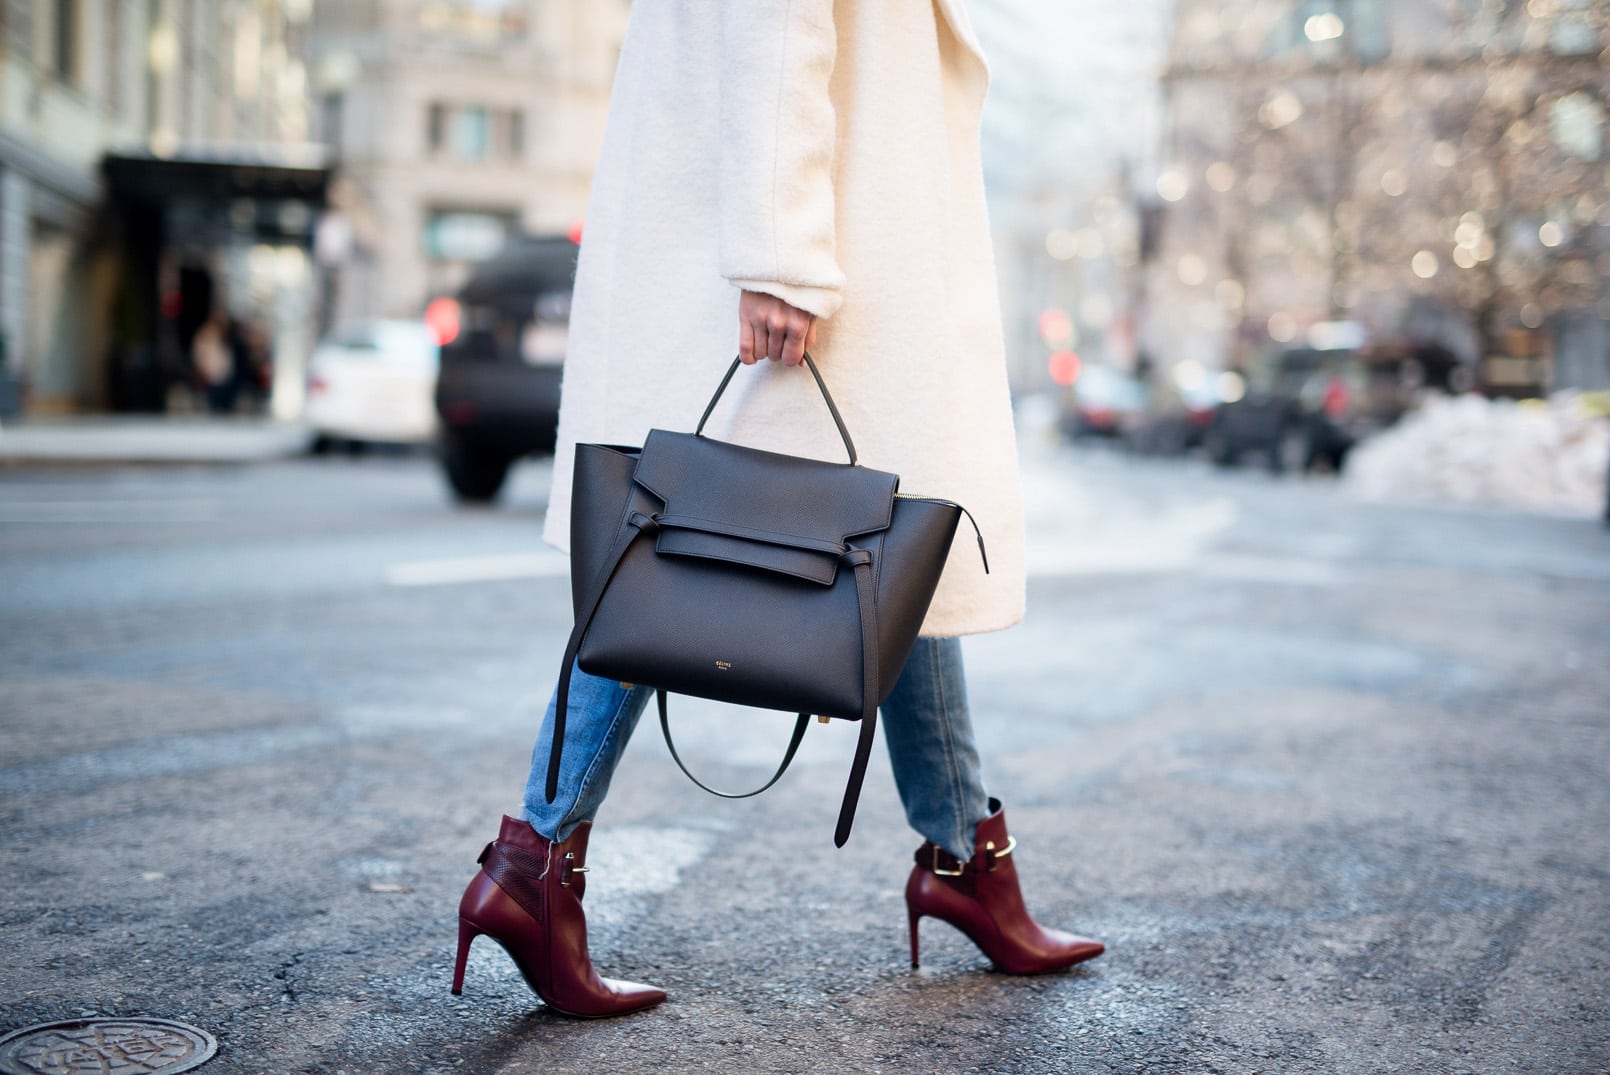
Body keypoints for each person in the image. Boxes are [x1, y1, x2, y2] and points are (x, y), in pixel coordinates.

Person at [452, 1, 1104, 1018]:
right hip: (801, 247)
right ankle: (534, 860)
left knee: (884, 546)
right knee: (666, 551)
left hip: (808, 228)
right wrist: (780, 255)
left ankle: (963, 856)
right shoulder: (783, 256)